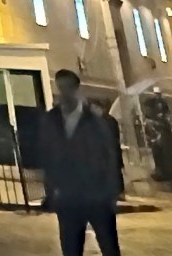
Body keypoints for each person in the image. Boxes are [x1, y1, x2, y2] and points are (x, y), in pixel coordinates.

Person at [37, 69, 123, 256]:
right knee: (70, 249)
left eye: (67, 88)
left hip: (97, 196)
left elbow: (111, 156)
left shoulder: (97, 120)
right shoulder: (50, 120)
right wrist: (52, 191)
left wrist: (113, 193)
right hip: (68, 198)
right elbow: (47, 156)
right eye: (60, 88)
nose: (63, 93)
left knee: (109, 248)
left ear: (77, 89)